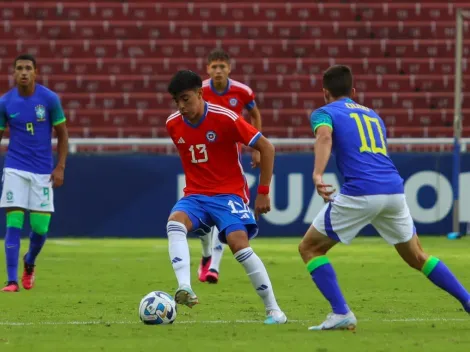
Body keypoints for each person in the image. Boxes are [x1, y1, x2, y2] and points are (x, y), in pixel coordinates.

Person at [298, 65, 470, 330]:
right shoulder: (373, 115)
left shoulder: (323, 113)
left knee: (310, 248)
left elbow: (324, 135)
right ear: (353, 92)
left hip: (361, 192)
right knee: (418, 256)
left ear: (325, 93)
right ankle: (468, 301)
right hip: (393, 190)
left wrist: (318, 174)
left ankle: (341, 312)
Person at [165, 70, 286, 324]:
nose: (181, 106)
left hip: (228, 193)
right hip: (196, 195)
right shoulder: (173, 124)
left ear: (200, 93)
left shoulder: (226, 118)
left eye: (186, 99)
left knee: (238, 243)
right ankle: (185, 287)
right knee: (175, 222)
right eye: (177, 101)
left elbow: (267, 147)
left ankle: (274, 310)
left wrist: (263, 192)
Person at [0, 54, 69, 292]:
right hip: (15, 169)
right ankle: (11, 281)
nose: (24, 72)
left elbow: (62, 134)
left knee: (40, 229)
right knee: (14, 223)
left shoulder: (49, 99)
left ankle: (29, 262)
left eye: (28, 68)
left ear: (35, 72)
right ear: (14, 72)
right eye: (19, 68)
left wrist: (60, 166)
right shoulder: (5, 102)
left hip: (42, 172)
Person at [196, 48, 263, 284]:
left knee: (223, 208)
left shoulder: (242, 91)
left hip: (229, 158)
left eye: (222, 66)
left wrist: (255, 147)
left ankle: (213, 266)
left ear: (229, 68)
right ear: (208, 69)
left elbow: (255, 115)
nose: (217, 70)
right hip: (203, 158)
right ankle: (206, 256)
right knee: (203, 219)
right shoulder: (200, 90)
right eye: (213, 66)